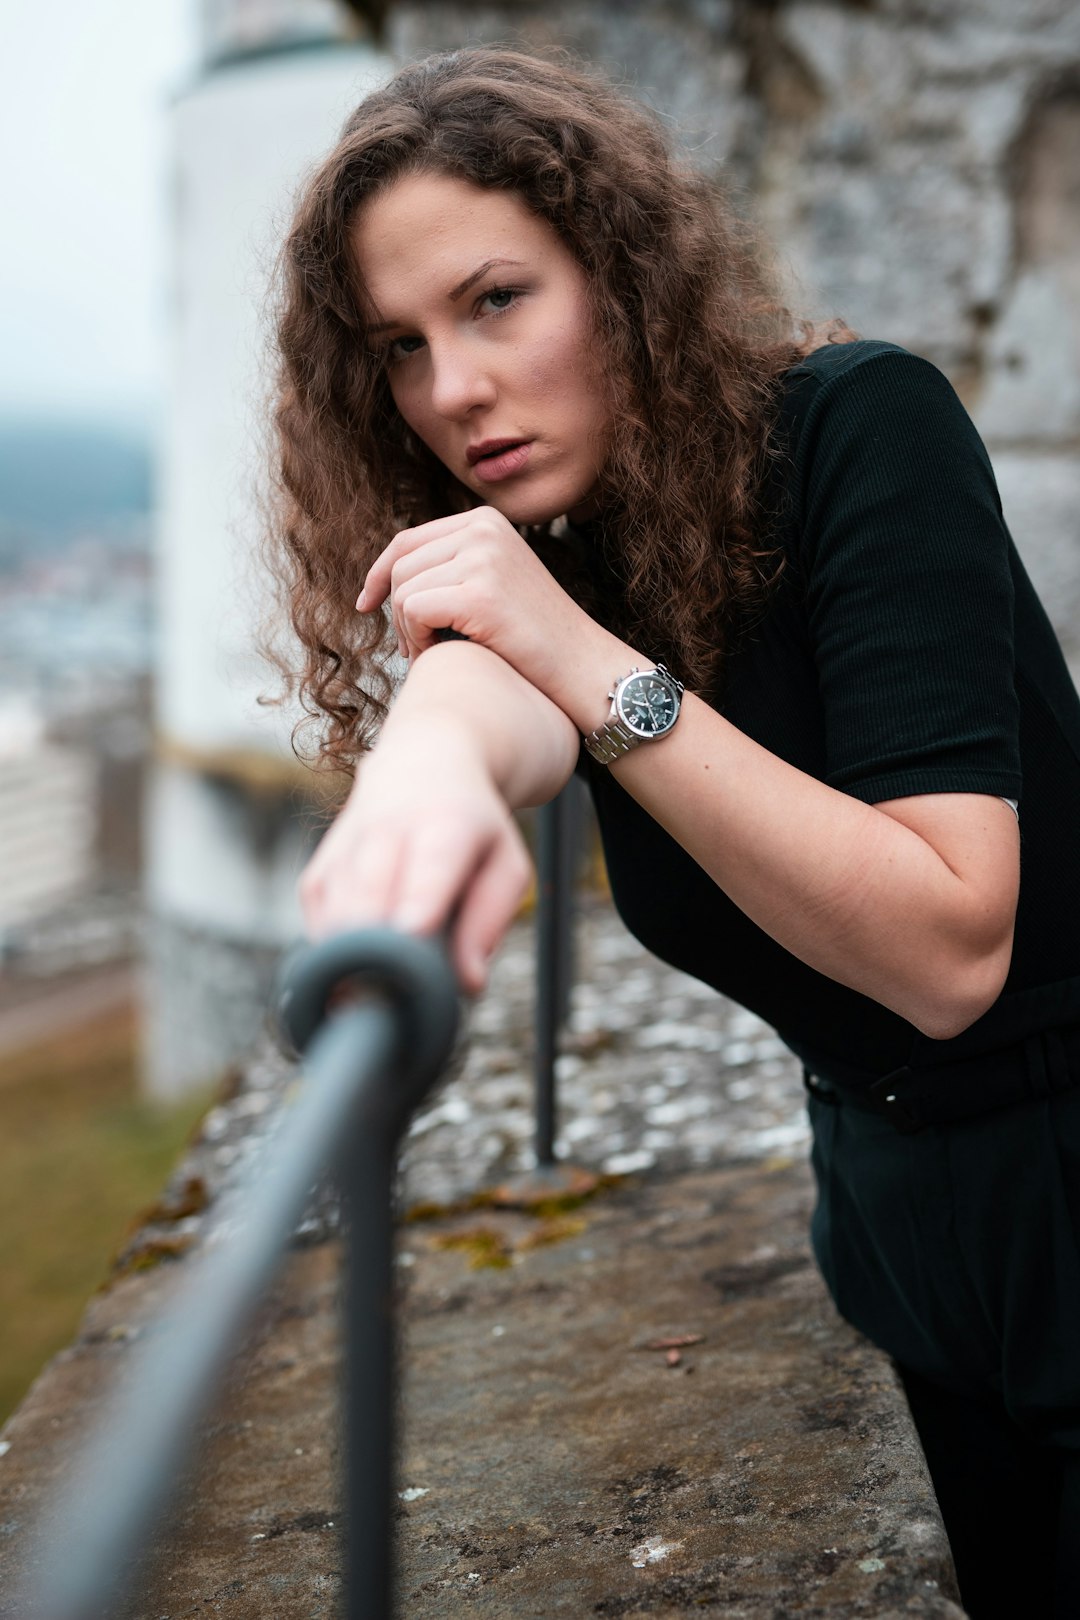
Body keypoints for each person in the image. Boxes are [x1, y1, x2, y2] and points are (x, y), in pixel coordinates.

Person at [266, 46, 1080, 1618]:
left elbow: (950, 945)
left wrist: (577, 658)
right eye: (398, 350)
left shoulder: (860, 429)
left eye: (495, 301)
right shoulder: (583, 549)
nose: (452, 391)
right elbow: (477, 698)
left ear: (623, 281)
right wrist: (422, 778)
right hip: (895, 1227)